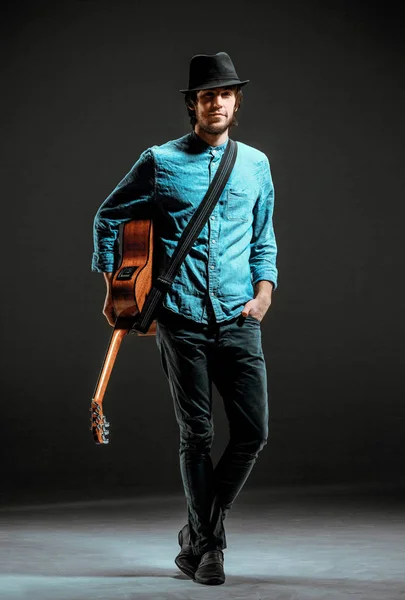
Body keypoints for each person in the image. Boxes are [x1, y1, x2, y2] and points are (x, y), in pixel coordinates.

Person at [91, 51, 278, 586]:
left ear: (235, 102)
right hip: (181, 318)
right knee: (196, 434)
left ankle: (194, 535)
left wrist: (264, 294)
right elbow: (109, 216)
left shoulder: (256, 164)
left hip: (240, 316)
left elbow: (264, 238)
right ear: (192, 105)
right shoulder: (160, 161)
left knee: (252, 433)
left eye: (224, 93)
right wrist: (118, 283)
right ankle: (211, 548)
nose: (215, 102)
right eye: (205, 95)